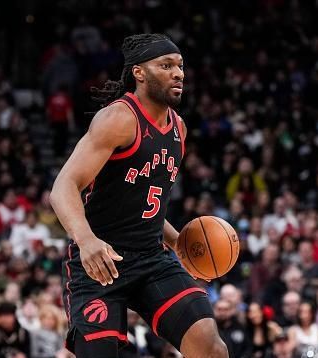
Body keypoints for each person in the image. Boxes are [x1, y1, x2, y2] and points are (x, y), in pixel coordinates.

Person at [49, 33, 228, 358]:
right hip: (101, 264)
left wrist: (178, 242)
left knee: (210, 345)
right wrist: (86, 240)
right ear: (139, 72)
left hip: (151, 259)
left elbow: (142, 202)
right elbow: (64, 186)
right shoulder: (118, 119)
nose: (179, 73)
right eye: (166, 65)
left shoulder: (179, 129)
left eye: (181, 66)